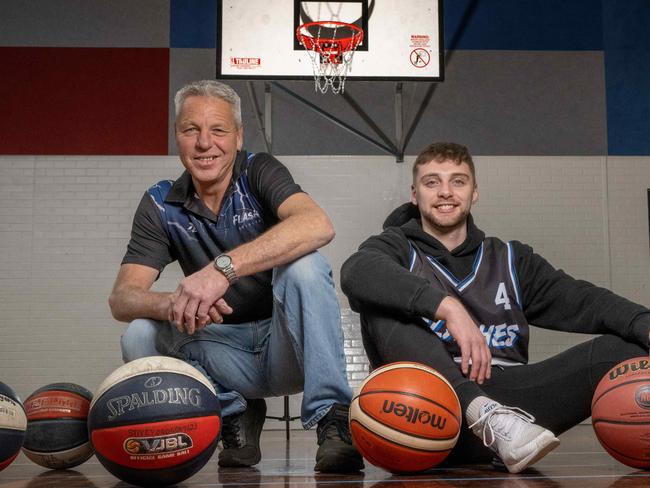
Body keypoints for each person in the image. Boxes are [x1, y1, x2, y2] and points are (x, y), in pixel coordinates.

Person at [341, 142, 650, 474]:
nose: (445, 192)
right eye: (432, 182)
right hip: (420, 415)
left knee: (624, 347)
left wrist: (645, 322)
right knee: (381, 302)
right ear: (414, 194)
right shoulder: (394, 247)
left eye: (458, 181)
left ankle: (499, 423)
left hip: (513, 417)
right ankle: (480, 411)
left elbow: (583, 300)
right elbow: (356, 271)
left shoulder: (510, 259)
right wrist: (447, 307)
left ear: (474, 192)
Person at [108, 80, 362, 473]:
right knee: (138, 333)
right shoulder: (160, 202)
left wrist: (221, 270)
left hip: (287, 347)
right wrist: (174, 303)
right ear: (178, 136)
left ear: (239, 137)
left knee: (306, 265)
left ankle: (332, 419)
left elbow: (317, 224)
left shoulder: (258, 171)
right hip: (221, 352)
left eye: (218, 130)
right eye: (191, 130)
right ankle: (233, 413)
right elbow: (122, 298)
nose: (204, 143)